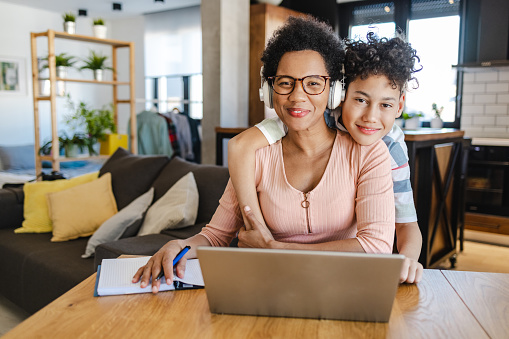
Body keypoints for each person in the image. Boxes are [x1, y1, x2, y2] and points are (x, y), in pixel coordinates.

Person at [133, 16, 396, 293]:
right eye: (285, 83)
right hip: (271, 288)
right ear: (269, 90)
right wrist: (178, 246)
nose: (297, 96)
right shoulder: (255, 158)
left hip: (341, 288)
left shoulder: (368, 154)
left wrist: (275, 248)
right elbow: (215, 236)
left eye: (314, 83)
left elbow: (376, 247)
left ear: (334, 91)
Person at [228, 32, 424, 283]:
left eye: (385, 105)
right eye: (360, 100)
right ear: (339, 96)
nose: (370, 117)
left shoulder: (389, 148)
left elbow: (406, 222)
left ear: (399, 106)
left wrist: (407, 260)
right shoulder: (310, 116)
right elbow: (241, 146)